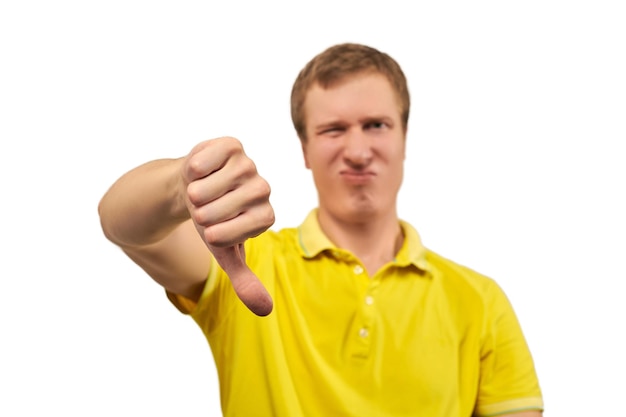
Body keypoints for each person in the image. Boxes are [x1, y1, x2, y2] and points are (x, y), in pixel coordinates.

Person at [98, 43, 543, 416]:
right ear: (305, 149)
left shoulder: (481, 301)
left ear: (404, 137)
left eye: (376, 125)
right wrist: (181, 188)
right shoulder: (250, 264)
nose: (357, 150)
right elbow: (123, 226)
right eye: (333, 130)